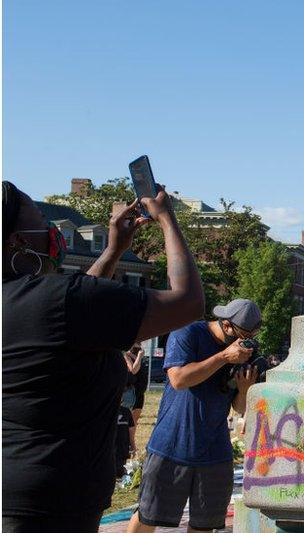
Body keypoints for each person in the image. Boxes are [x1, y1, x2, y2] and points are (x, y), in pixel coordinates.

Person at [2, 181, 203, 533]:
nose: (51, 229)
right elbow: (188, 302)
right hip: (52, 504)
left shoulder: (27, 303)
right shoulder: (57, 298)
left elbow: (70, 318)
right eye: (41, 221)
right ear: (18, 240)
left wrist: (113, 252)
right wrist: (168, 220)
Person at [127, 299, 262, 533]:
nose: (246, 341)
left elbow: (239, 408)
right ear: (227, 326)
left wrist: (244, 389)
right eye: (244, 334)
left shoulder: (244, 351)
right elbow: (178, 379)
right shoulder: (187, 332)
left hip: (215, 452)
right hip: (172, 446)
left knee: (204, 525)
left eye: (253, 335)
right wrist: (223, 357)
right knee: (149, 516)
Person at [123, 343, 150, 435]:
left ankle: (131, 443)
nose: (140, 345)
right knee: (127, 420)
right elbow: (133, 370)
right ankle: (125, 442)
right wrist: (139, 356)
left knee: (134, 420)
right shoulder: (125, 355)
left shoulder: (133, 355)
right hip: (131, 392)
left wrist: (138, 355)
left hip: (140, 392)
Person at [116, 398, 136, 479]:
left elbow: (131, 429)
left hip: (120, 447)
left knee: (119, 472)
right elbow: (131, 430)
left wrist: (133, 445)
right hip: (118, 447)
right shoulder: (126, 411)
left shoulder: (126, 411)